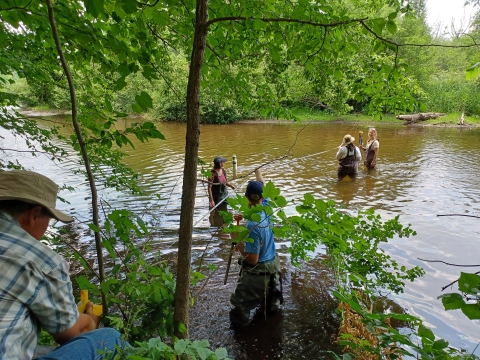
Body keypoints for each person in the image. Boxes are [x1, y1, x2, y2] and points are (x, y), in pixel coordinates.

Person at [0, 170, 126, 360]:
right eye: (48, 219)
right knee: (109, 338)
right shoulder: (40, 260)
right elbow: (72, 333)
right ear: (34, 214)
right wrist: (90, 320)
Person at [229, 168, 283, 329]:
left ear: (246, 197)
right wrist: (258, 172)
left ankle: (241, 334)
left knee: (239, 306)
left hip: (259, 273)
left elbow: (253, 260)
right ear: (263, 197)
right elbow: (262, 185)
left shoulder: (252, 225)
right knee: (273, 304)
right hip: (274, 266)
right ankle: (273, 321)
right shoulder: (268, 208)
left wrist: (236, 239)